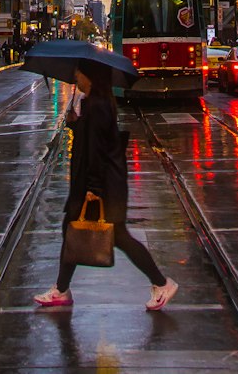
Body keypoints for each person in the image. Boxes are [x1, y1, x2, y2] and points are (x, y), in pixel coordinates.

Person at [34, 58, 178, 311]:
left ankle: (162, 282)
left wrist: (93, 190)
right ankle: (61, 289)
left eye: (79, 73)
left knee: (116, 236)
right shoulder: (96, 104)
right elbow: (93, 142)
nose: (76, 78)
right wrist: (75, 124)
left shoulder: (98, 106)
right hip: (100, 185)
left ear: (90, 77)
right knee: (73, 230)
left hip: (100, 188)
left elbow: (98, 152)